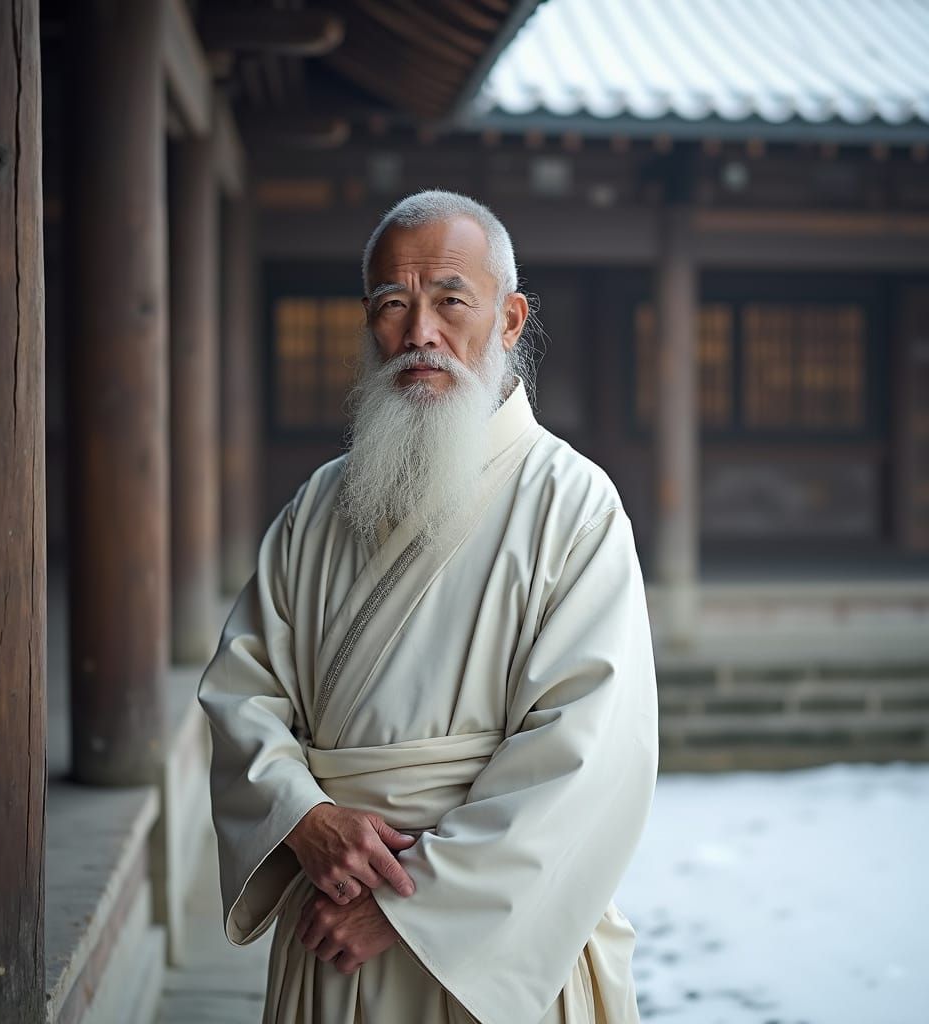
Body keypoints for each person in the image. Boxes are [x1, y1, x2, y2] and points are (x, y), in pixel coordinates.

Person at [198, 190, 658, 1024]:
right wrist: (303, 816)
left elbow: (589, 756)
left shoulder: (573, 504)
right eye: (392, 305)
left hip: (495, 947)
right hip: (329, 916)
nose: (420, 333)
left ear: (509, 319)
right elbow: (243, 690)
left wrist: (410, 907)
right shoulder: (320, 506)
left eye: (451, 301)